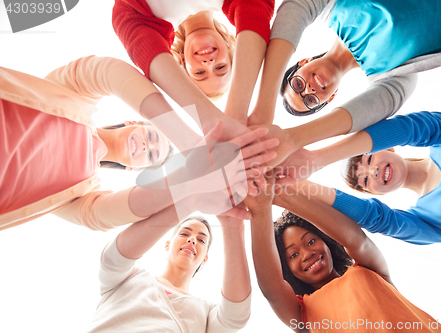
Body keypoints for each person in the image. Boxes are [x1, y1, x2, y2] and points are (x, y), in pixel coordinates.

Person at [0, 55, 278, 231]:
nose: (147, 146)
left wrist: (192, 181)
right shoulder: (73, 97)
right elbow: (107, 71)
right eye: (153, 137)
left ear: (135, 170)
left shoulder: (79, 197)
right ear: (134, 123)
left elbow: (109, 215)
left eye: (152, 155)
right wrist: (190, 143)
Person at [248, 0, 441, 168]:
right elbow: (374, 109)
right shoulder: (394, 78)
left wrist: (264, 106)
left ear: (302, 61)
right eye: (311, 100)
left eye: (298, 85)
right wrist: (293, 139)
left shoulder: (330, 8)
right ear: (331, 98)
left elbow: (296, 7)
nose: (310, 90)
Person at [244, 173, 441, 332]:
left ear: (327, 243)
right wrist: (260, 210)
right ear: (286, 269)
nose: (306, 254)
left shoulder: (369, 269)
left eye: (311, 241)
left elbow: (355, 239)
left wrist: (280, 195)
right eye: (293, 255)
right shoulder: (301, 315)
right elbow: (271, 287)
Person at [291, 111, 441, 245]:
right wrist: (295, 182)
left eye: (370, 159)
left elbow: (409, 128)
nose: (372, 171)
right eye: (365, 181)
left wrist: (316, 159)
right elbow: (376, 219)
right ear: (373, 193)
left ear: (387, 146)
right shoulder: (426, 220)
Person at [86, 207, 252, 332]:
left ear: (205, 258)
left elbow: (236, 315)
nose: (192, 239)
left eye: (201, 240)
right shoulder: (128, 278)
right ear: (168, 244)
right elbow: (113, 259)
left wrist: (233, 225)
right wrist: (187, 202)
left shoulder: (206, 311)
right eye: (184, 234)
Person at [113, 0, 274, 125]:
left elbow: (133, 34)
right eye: (220, 67)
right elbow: (256, 7)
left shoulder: (145, 19)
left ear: (183, 65)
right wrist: (237, 112)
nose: (209, 63)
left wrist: (207, 119)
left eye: (200, 73)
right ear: (231, 49)